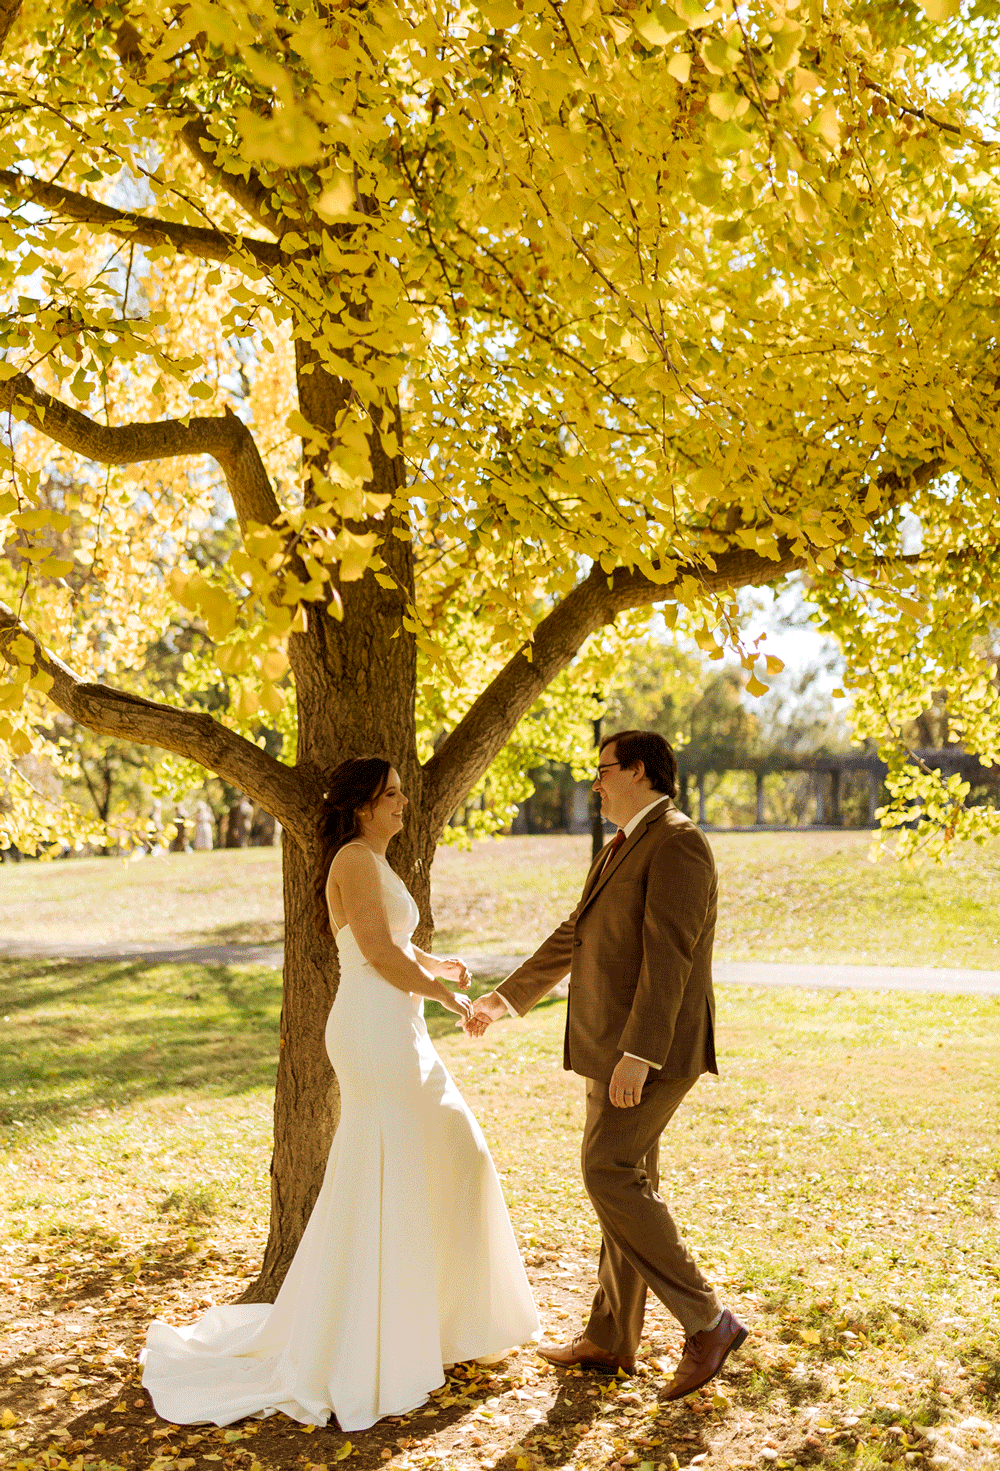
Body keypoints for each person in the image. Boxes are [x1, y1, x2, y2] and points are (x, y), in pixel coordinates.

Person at [141, 757, 539, 1432]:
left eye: (401, 793)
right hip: (374, 1029)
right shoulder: (353, 858)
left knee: (453, 1154)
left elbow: (388, 943)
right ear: (360, 806)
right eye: (391, 794)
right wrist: (444, 991)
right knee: (388, 1170)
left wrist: (434, 963)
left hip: (395, 1025)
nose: (403, 803)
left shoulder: (375, 863)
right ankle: (372, 1341)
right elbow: (377, 955)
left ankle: (430, 1321)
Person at [466, 730, 747, 1400]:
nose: (594, 784)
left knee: (608, 1170)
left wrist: (639, 1055)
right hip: (610, 1047)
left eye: (602, 771)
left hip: (650, 1052)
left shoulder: (678, 841)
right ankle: (612, 1337)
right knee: (630, 1178)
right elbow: (578, 932)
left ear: (639, 771)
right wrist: (505, 998)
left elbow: (669, 956)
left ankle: (708, 1321)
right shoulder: (624, 844)